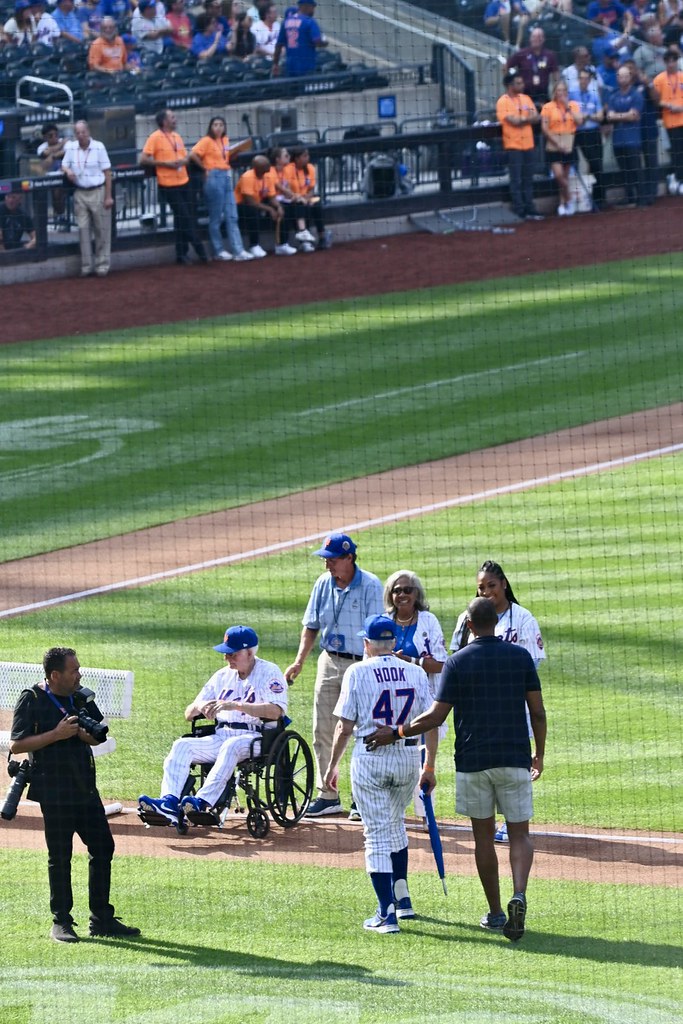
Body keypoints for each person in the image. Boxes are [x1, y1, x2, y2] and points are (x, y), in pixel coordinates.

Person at [367, 597, 547, 943]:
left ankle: (496, 913)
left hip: (473, 762)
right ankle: (519, 893)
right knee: (520, 833)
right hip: (514, 758)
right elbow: (537, 713)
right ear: (496, 620)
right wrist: (538, 755)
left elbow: (436, 717)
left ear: (467, 625)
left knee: (483, 838)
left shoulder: (457, 662)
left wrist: (397, 732)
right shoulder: (520, 657)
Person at [9, 647, 140, 943]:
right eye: (73, 670)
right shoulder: (32, 699)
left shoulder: (80, 696)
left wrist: (83, 733)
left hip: (84, 787)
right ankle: (62, 922)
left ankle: (102, 919)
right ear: (55, 675)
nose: (79, 674)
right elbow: (17, 745)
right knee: (60, 856)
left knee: (103, 847)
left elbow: (98, 735)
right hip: (53, 789)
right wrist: (56, 734)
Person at [323, 615, 438, 933]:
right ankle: (404, 903)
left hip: (370, 760)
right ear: (394, 643)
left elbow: (344, 726)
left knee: (375, 836)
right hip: (406, 758)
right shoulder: (416, 672)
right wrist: (429, 765)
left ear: (367, 644)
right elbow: (431, 721)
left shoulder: (357, 672)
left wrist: (332, 766)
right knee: (396, 827)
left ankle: (385, 915)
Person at [139, 625, 288, 820]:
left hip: (255, 737)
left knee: (231, 745)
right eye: (226, 654)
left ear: (250, 652)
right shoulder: (221, 676)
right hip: (221, 735)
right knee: (182, 745)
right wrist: (201, 706)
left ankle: (201, 802)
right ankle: (169, 802)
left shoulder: (269, 671)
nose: (227, 658)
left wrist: (236, 706)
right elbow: (188, 713)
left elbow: (276, 711)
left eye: (232, 654)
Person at [284, 533, 384, 818]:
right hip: (329, 661)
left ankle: (361, 798)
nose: (327, 564)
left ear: (349, 558)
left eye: (332, 559)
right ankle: (328, 795)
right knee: (323, 729)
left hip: (361, 663)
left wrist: (368, 670)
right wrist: (299, 661)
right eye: (325, 559)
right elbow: (311, 625)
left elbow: (375, 633)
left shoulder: (370, 586)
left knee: (363, 730)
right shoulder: (322, 584)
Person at [450, 559, 546, 843]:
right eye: (481, 588)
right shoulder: (467, 618)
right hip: (476, 707)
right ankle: (488, 821)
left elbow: (533, 667)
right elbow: (454, 658)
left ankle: (510, 821)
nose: (487, 592)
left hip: (513, 704)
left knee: (513, 760)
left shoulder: (523, 619)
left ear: (503, 584)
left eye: (491, 585)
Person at [383, 569, 447, 827]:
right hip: (392, 705)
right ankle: (395, 813)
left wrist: (408, 660)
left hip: (425, 702)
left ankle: (425, 814)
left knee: (422, 759)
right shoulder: (383, 621)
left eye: (407, 590)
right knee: (395, 760)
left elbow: (441, 664)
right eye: (397, 590)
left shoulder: (427, 621)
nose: (402, 595)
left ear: (416, 593)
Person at [141, 109, 209, 266]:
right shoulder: (154, 137)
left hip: (184, 181)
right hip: (168, 184)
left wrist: (183, 162)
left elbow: (185, 157)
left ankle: (181, 254)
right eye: (172, 117)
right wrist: (165, 164)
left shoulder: (177, 136)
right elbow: (143, 159)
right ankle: (200, 250)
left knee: (181, 219)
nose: (175, 119)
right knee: (185, 217)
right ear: (164, 121)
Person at [190, 115, 254, 261]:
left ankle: (238, 250)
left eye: (221, 125)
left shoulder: (225, 139)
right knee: (216, 216)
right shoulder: (206, 141)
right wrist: (204, 168)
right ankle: (218, 250)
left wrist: (234, 153)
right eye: (215, 125)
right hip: (213, 176)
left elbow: (223, 157)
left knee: (232, 214)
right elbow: (193, 155)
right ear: (211, 127)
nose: (218, 128)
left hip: (226, 174)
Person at [61, 120, 113, 278]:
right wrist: (68, 171)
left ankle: (102, 265)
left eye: (83, 132)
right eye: (78, 133)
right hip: (80, 192)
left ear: (88, 131)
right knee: (83, 230)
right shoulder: (71, 148)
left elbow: (108, 173)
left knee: (101, 230)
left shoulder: (99, 146)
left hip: (97, 190)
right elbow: (63, 164)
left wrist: (108, 196)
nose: (81, 135)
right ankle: (86, 266)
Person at [496, 70, 544, 220]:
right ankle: (519, 209)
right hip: (513, 145)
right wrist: (526, 119)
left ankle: (530, 207)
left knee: (528, 179)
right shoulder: (502, 101)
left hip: (528, 144)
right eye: (518, 83)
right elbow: (513, 121)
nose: (522, 85)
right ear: (510, 85)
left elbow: (537, 117)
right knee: (516, 180)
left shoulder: (526, 98)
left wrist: (523, 119)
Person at [234, 154, 296, 256]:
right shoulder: (247, 177)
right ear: (257, 168)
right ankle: (254, 246)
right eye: (265, 166)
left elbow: (271, 197)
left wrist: (278, 207)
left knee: (283, 208)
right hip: (241, 205)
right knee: (252, 212)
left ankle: (282, 244)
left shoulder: (268, 176)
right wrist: (270, 210)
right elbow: (250, 202)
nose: (268, 168)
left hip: (260, 202)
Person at [633, 25, 666, 203]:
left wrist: (649, 84)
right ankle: (642, 194)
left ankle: (652, 192)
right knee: (638, 160)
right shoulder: (630, 88)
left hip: (651, 120)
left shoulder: (647, 85)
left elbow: (656, 100)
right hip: (637, 126)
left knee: (652, 158)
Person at [541, 79, 583, 215]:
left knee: (565, 175)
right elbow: (545, 128)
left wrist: (568, 107)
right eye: (559, 90)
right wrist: (557, 143)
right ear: (554, 92)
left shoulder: (573, 105)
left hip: (569, 141)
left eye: (564, 90)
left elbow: (579, 121)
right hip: (554, 143)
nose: (561, 93)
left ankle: (562, 203)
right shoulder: (548, 107)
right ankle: (569, 199)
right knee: (559, 175)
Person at [606, 63, 645, 205]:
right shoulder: (613, 95)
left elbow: (634, 115)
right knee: (624, 171)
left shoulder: (636, 94)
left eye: (625, 75)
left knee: (636, 170)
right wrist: (625, 115)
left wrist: (618, 115)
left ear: (630, 77)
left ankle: (642, 199)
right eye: (619, 76)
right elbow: (609, 116)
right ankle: (629, 198)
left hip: (632, 139)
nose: (622, 78)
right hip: (618, 140)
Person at [569, 67, 607, 208]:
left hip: (594, 132)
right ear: (578, 79)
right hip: (580, 133)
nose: (584, 81)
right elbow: (573, 115)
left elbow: (600, 116)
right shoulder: (572, 94)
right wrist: (584, 117)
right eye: (582, 78)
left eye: (587, 78)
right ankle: (582, 198)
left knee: (598, 164)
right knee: (588, 162)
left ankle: (599, 198)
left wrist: (588, 116)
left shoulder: (594, 95)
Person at [282, 145, 332, 248]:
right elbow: (286, 189)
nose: (307, 157)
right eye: (304, 156)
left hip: (306, 198)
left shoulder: (310, 168)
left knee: (317, 205)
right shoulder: (288, 169)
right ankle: (304, 238)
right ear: (297, 158)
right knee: (299, 205)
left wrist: (307, 198)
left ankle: (322, 237)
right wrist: (299, 197)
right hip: (292, 200)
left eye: (307, 155)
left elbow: (311, 189)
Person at [506, 27, 560, 107]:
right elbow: (506, 66)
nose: (537, 39)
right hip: (524, 95)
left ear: (543, 39)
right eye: (534, 36)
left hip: (543, 96)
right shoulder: (522, 53)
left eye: (539, 37)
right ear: (530, 38)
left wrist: (554, 93)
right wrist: (510, 86)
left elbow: (556, 75)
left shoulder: (549, 55)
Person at [653, 48, 683, 192]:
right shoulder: (659, 79)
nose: (671, 64)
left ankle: (676, 176)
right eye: (668, 61)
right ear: (665, 63)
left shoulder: (682, 76)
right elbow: (655, 100)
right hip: (670, 122)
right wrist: (668, 105)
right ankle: (679, 179)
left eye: (673, 61)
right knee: (677, 151)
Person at [272, 0, 327, 77]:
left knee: (292, 88)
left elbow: (278, 45)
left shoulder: (286, 22)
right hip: (307, 67)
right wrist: (325, 43)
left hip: (290, 67)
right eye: (313, 7)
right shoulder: (309, 21)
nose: (313, 10)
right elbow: (317, 42)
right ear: (306, 6)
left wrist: (275, 64)